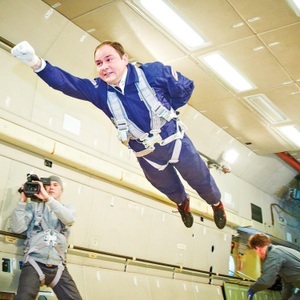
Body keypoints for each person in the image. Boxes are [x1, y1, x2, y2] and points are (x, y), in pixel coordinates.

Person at [11, 40, 227, 229]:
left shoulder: (151, 73)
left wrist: (167, 107)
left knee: (200, 179)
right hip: (147, 154)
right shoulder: (99, 91)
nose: (104, 67)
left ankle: (216, 204)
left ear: (124, 59)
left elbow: (184, 88)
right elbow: (67, 83)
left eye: (109, 59)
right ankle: (182, 203)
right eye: (99, 63)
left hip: (175, 141)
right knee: (167, 187)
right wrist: (35, 63)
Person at [10, 175, 82, 300]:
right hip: (34, 263)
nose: (51, 188)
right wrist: (22, 201)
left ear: (61, 190)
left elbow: (69, 219)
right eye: (47, 185)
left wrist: (48, 199)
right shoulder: (33, 207)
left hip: (58, 266)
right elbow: (17, 228)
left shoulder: (68, 208)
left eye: (55, 185)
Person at [247, 233, 300, 300]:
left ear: (257, 248)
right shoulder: (279, 251)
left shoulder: (274, 254)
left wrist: (252, 289)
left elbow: (267, 280)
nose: (258, 255)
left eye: (256, 252)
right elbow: (288, 285)